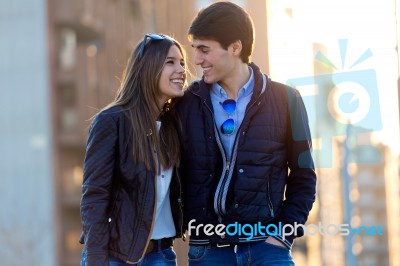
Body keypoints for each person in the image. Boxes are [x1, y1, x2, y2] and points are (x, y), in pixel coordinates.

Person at [175, 2, 317, 265]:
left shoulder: (287, 100)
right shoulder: (186, 103)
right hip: (208, 251)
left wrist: (282, 235)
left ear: (235, 47)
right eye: (195, 50)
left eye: (205, 50)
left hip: (267, 249)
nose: (197, 60)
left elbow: (304, 176)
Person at [79, 33, 187, 266]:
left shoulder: (174, 125)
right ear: (148, 68)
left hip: (162, 255)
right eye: (170, 62)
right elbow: (94, 196)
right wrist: (97, 259)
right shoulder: (112, 121)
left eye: (182, 63)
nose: (181, 69)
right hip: (114, 257)